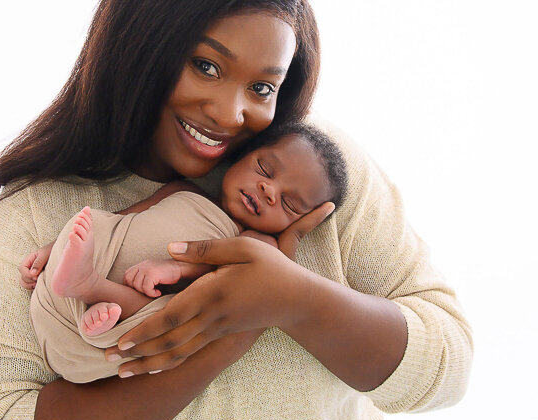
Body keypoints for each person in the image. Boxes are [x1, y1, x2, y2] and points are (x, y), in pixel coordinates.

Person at [0, 0, 472, 420]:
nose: (229, 112)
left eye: (263, 88)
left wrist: (295, 299)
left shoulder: (311, 175)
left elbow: (448, 365)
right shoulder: (44, 215)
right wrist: (223, 338)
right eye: (208, 66)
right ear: (139, 45)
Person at [24, 123, 349, 383]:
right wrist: (53, 249)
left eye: (290, 204)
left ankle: (90, 286)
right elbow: (122, 218)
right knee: (92, 220)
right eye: (264, 169)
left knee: (172, 313)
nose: (269, 190)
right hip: (54, 309)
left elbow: (220, 280)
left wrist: (176, 269)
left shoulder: (259, 245)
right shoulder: (182, 189)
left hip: (99, 342)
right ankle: (81, 281)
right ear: (241, 156)